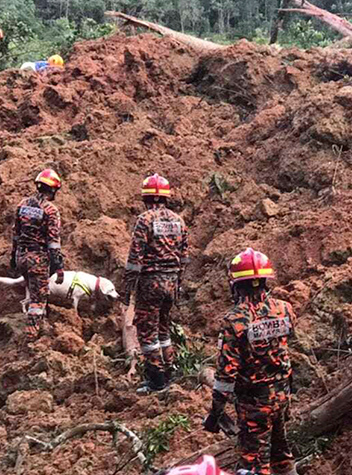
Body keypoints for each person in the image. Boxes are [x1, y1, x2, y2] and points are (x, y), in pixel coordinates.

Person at [204, 248, 298, 475]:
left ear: (236, 284)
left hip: (254, 405)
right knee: (281, 455)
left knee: (254, 464)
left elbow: (226, 375)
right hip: (282, 397)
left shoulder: (234, 320)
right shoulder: (285, 309)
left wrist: (215, 413)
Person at [122, 173, 189, 393]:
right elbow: (185, 256)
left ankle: (156, 379)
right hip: (172, 282)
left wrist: (128, 288)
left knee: (147, 330)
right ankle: (169, 371)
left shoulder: (145, 220)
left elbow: (135, 258)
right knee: (163, 327)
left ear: (146, 198)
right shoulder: (179, 221)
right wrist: (177, 281)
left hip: (151, 283)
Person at [10, 169, 64, 345]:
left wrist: (13, 256)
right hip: (37, 259)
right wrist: (59, 265)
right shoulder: (50, 210)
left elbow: (16, 234)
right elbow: (53, 241)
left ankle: (42, 324)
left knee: (34, 290)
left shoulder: (22, 205)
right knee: (38, 299)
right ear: (53, 190)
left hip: (21, 256)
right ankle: (31, 338)